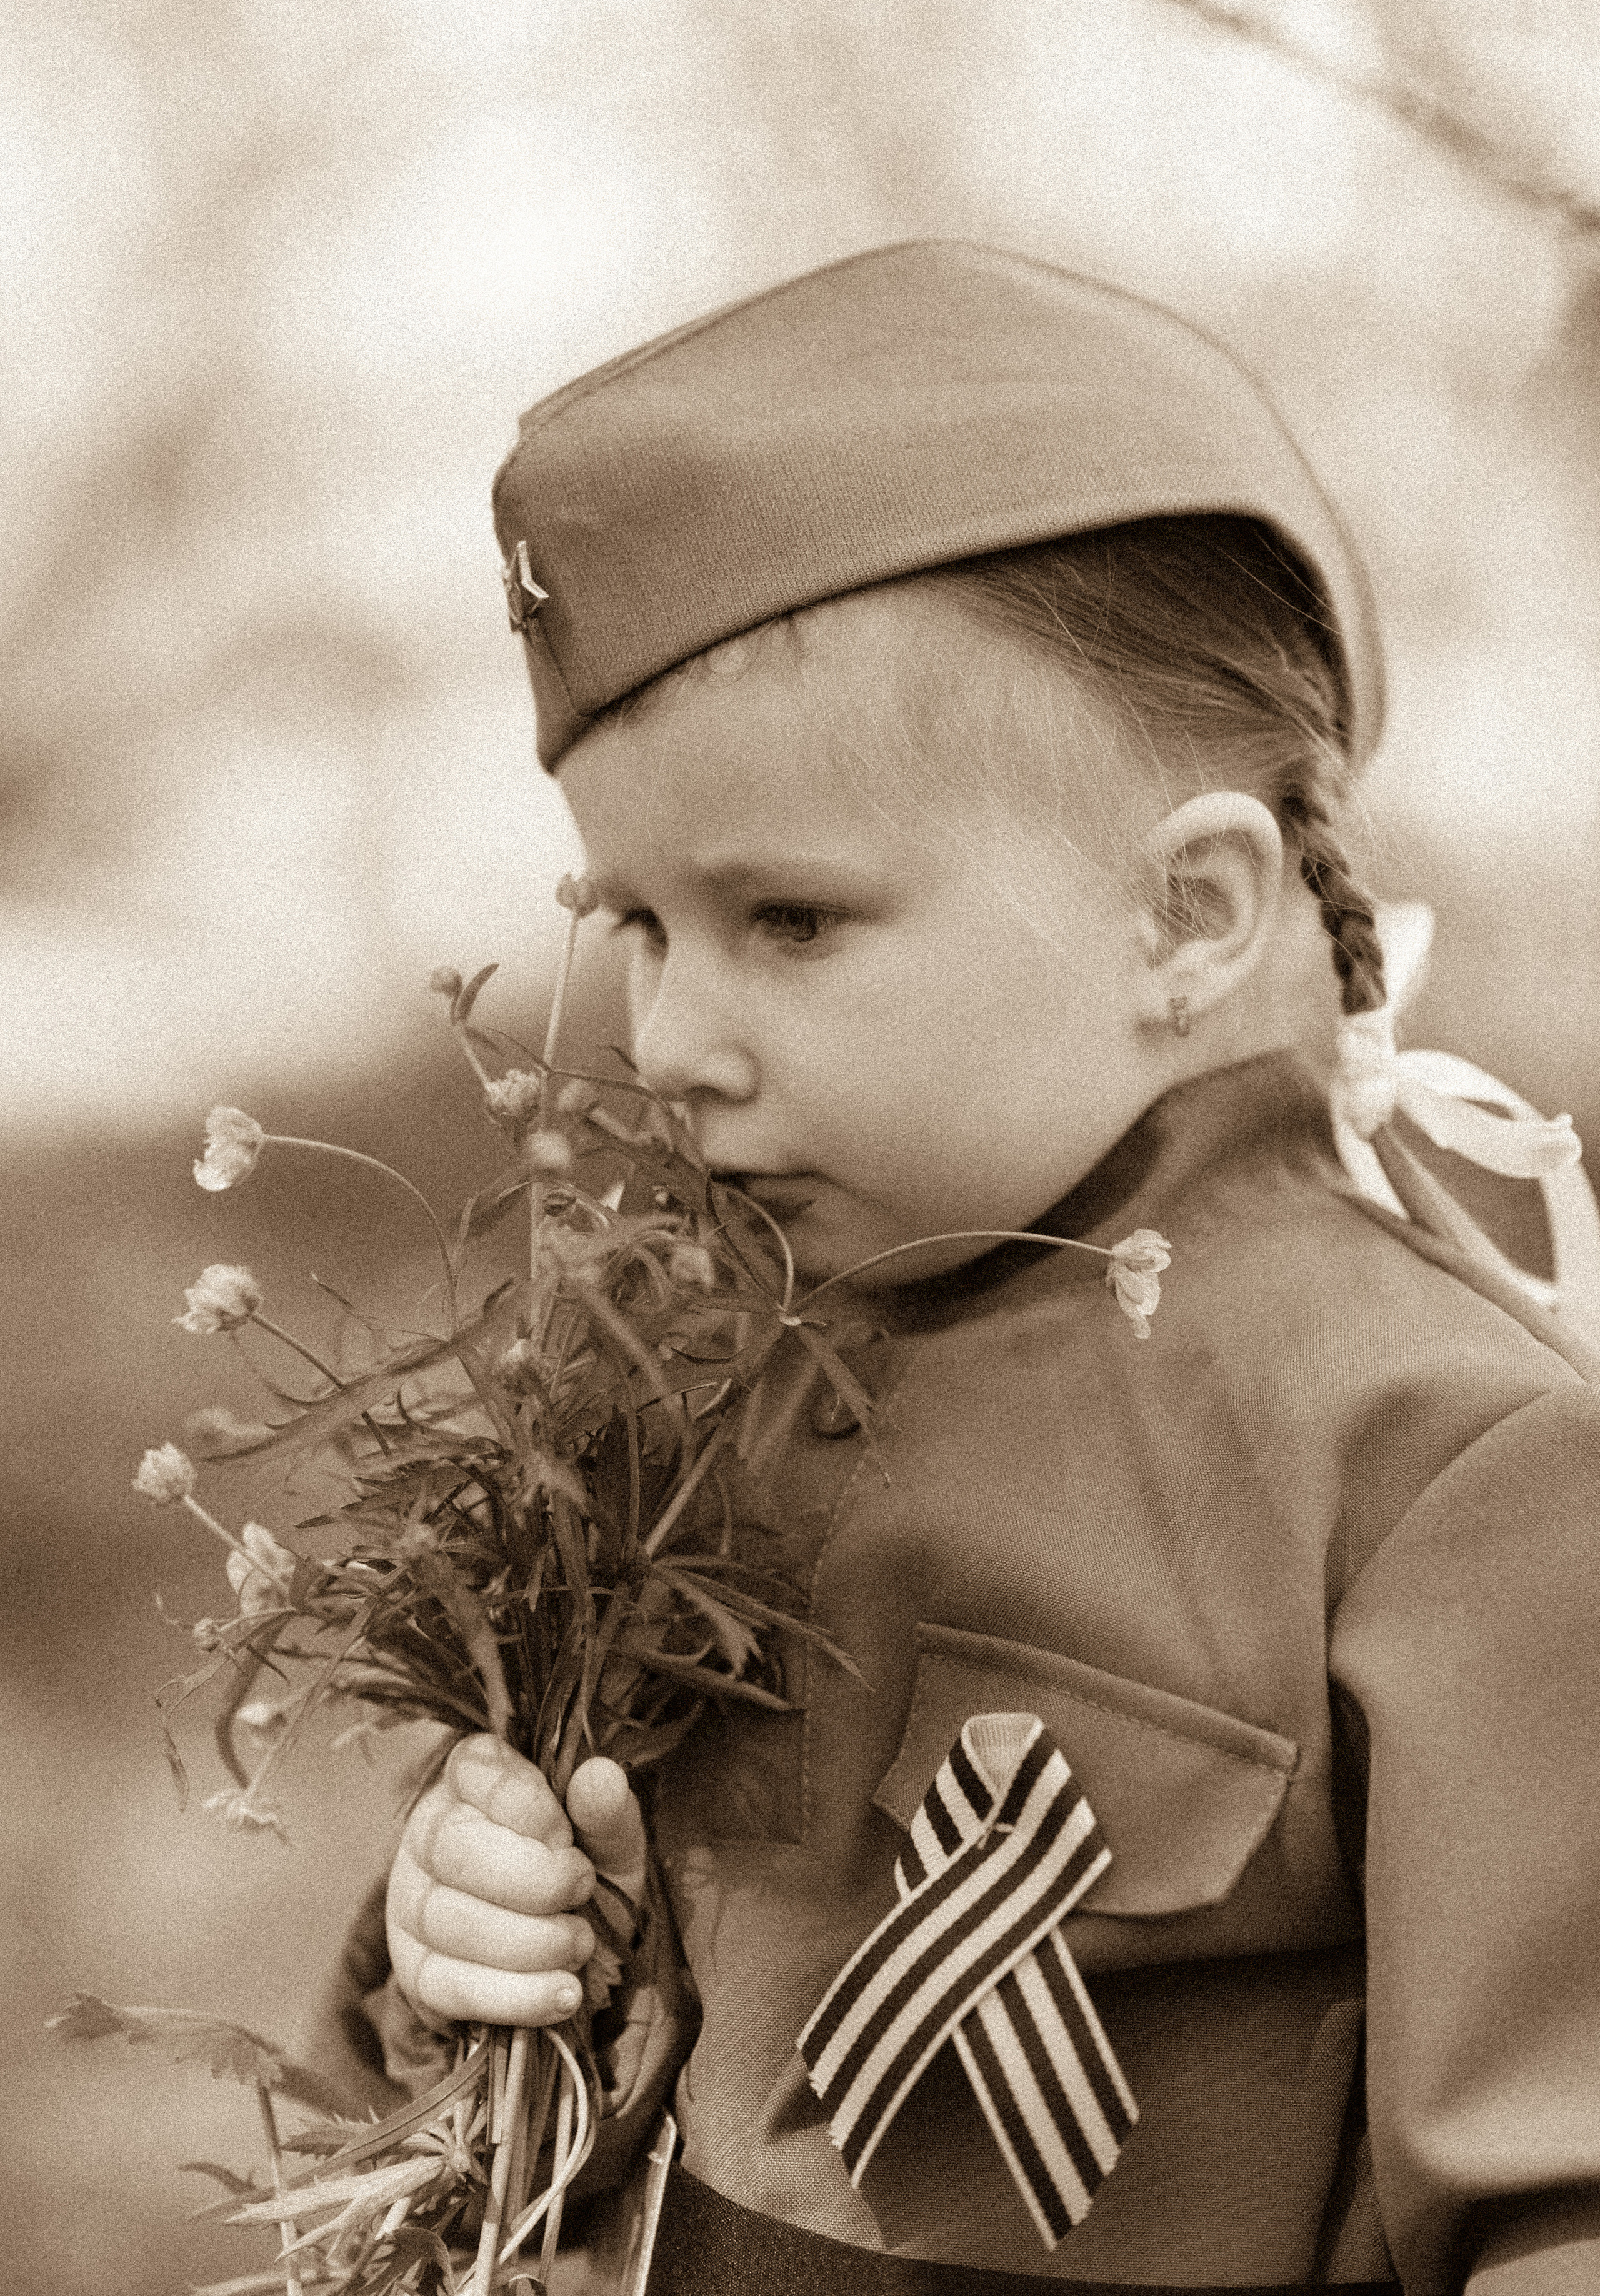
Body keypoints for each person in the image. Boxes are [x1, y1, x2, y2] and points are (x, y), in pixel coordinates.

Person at [316, 244, 1600, 2295]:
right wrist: (453, 1941)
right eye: (637, 923)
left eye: (791, 920)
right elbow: (503, 2111)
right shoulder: (679, 1408)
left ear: (1185, 911)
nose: (668, 1038)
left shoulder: (1445, 1461)